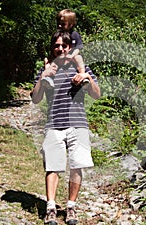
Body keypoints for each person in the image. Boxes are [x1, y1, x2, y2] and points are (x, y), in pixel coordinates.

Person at [31, 30, 101, 225]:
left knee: (76, 166)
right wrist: (42, 77)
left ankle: (71, 206)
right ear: (53, 49)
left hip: (78, 124)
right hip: (54, 123)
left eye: (64, 45)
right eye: (56, 46)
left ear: (70, 48)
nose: (60, 48)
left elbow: (97, 94)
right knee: (52, 167)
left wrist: (86, 77)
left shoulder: (81, 68)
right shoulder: (47, 70)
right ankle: (51, 208)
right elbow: (35, 99)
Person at [41, 9, 87, 90]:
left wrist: (71, 55)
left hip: (73, 56)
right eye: (58, 23)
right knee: (47, 61)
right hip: (59, 56)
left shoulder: (74, 35)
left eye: (62, 24)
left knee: (79, 58)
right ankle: (49, 79)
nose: (59, 26)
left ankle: (82, 76)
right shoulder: (57, 35)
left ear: (71, 25)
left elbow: (79, 48)